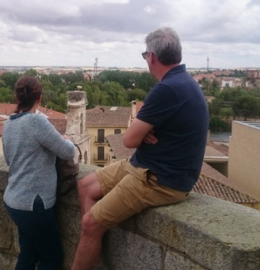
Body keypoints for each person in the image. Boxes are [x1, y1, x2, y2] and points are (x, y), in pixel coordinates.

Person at [70, 27, 209, 270]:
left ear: (152, 57)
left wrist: (138, 128)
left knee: (91, 223)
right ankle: (93, 253)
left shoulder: (167, 89)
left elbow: (129, 141)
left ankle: (91, 240)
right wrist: (142, 130)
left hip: (159, 179)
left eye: (145, 56)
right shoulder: (184, 82)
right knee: (85, 186)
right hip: (146, 165)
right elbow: (138, 137)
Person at [2, 76, 76, 270]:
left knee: (28, 254)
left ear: (16, 97)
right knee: (51, 257)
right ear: (40, 98)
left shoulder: (8, 124)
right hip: (34, 203)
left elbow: (9, 160)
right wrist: (65, 139)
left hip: (14, 200)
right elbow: (68, 151)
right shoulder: (36, 122)